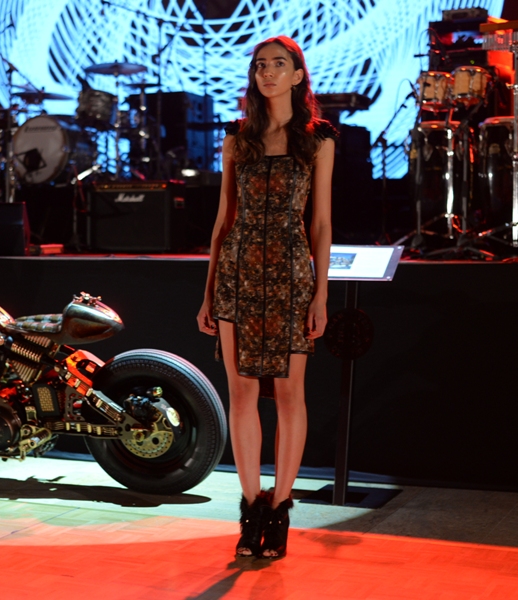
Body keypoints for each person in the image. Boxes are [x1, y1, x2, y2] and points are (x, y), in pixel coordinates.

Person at [196, 35, 335, 559]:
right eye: (260, 66)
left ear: (298, 76)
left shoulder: (319, 139)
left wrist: (321, 294)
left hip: (292, 274)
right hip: (237, 270)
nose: (268, 72)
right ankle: (250, 509)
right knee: (241, 392)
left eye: (279, 64)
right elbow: (222, 219)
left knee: (290, 393)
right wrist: (207, 291)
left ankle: (279, 509)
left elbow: (321, 224)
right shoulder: (238, 137)